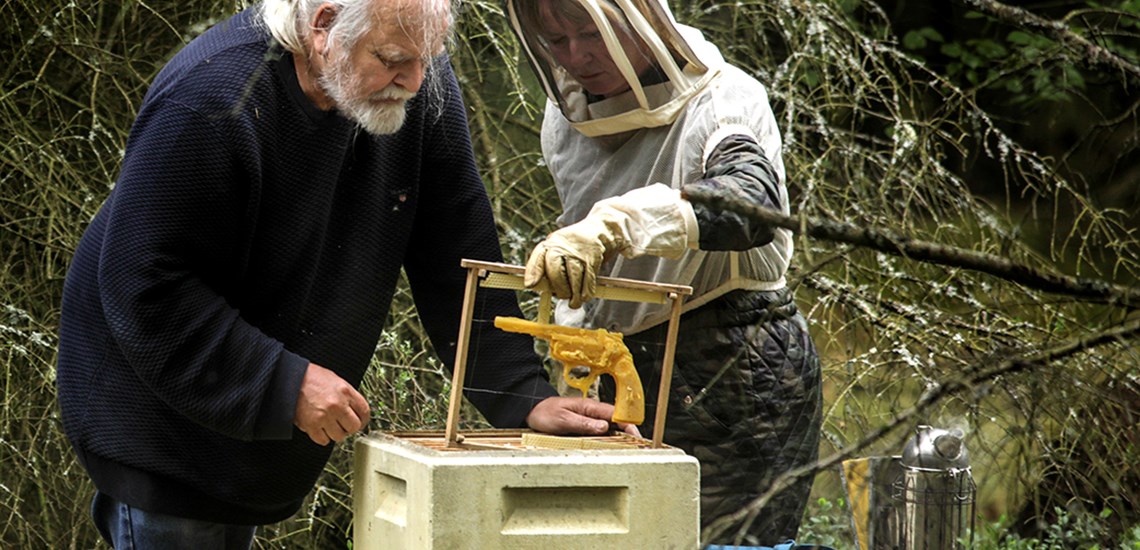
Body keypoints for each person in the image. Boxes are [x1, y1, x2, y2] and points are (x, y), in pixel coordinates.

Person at [55, 0, 628, 547]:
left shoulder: (414, 76)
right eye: (393, 60)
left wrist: (520, 397)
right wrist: (284, 383)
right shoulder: (213, 102)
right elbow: (148, 288)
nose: (416, 81)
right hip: (156, 422)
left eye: (428, 57)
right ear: (323, 26)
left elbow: (455, 256)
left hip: (253, 438)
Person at [505, 0, 824, 545]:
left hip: (732, 367)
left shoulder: (722, 99)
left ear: (639, 20)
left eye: (591, 33)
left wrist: (615, 223)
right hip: (618, 366)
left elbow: (751, 204)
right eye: (556, 42)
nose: (576, 56)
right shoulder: (566, 116)